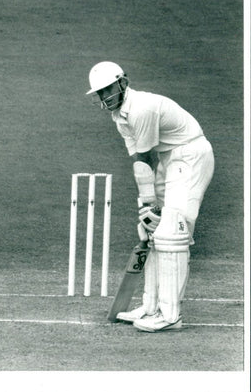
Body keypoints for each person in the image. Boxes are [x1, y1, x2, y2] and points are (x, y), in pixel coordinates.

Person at [87, 61, 214, 332]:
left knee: (171, 233)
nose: (103, 97)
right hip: (170, 158)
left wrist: (148, 204)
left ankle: (170, 316)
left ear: (122, 82)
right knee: (154, 231)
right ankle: (150, 306)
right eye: (99, 93)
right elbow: (138, 160)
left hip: (190, 156)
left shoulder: (141, 108)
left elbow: (144, 156)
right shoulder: (119, 115)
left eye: (107, 89)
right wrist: (146, 208)